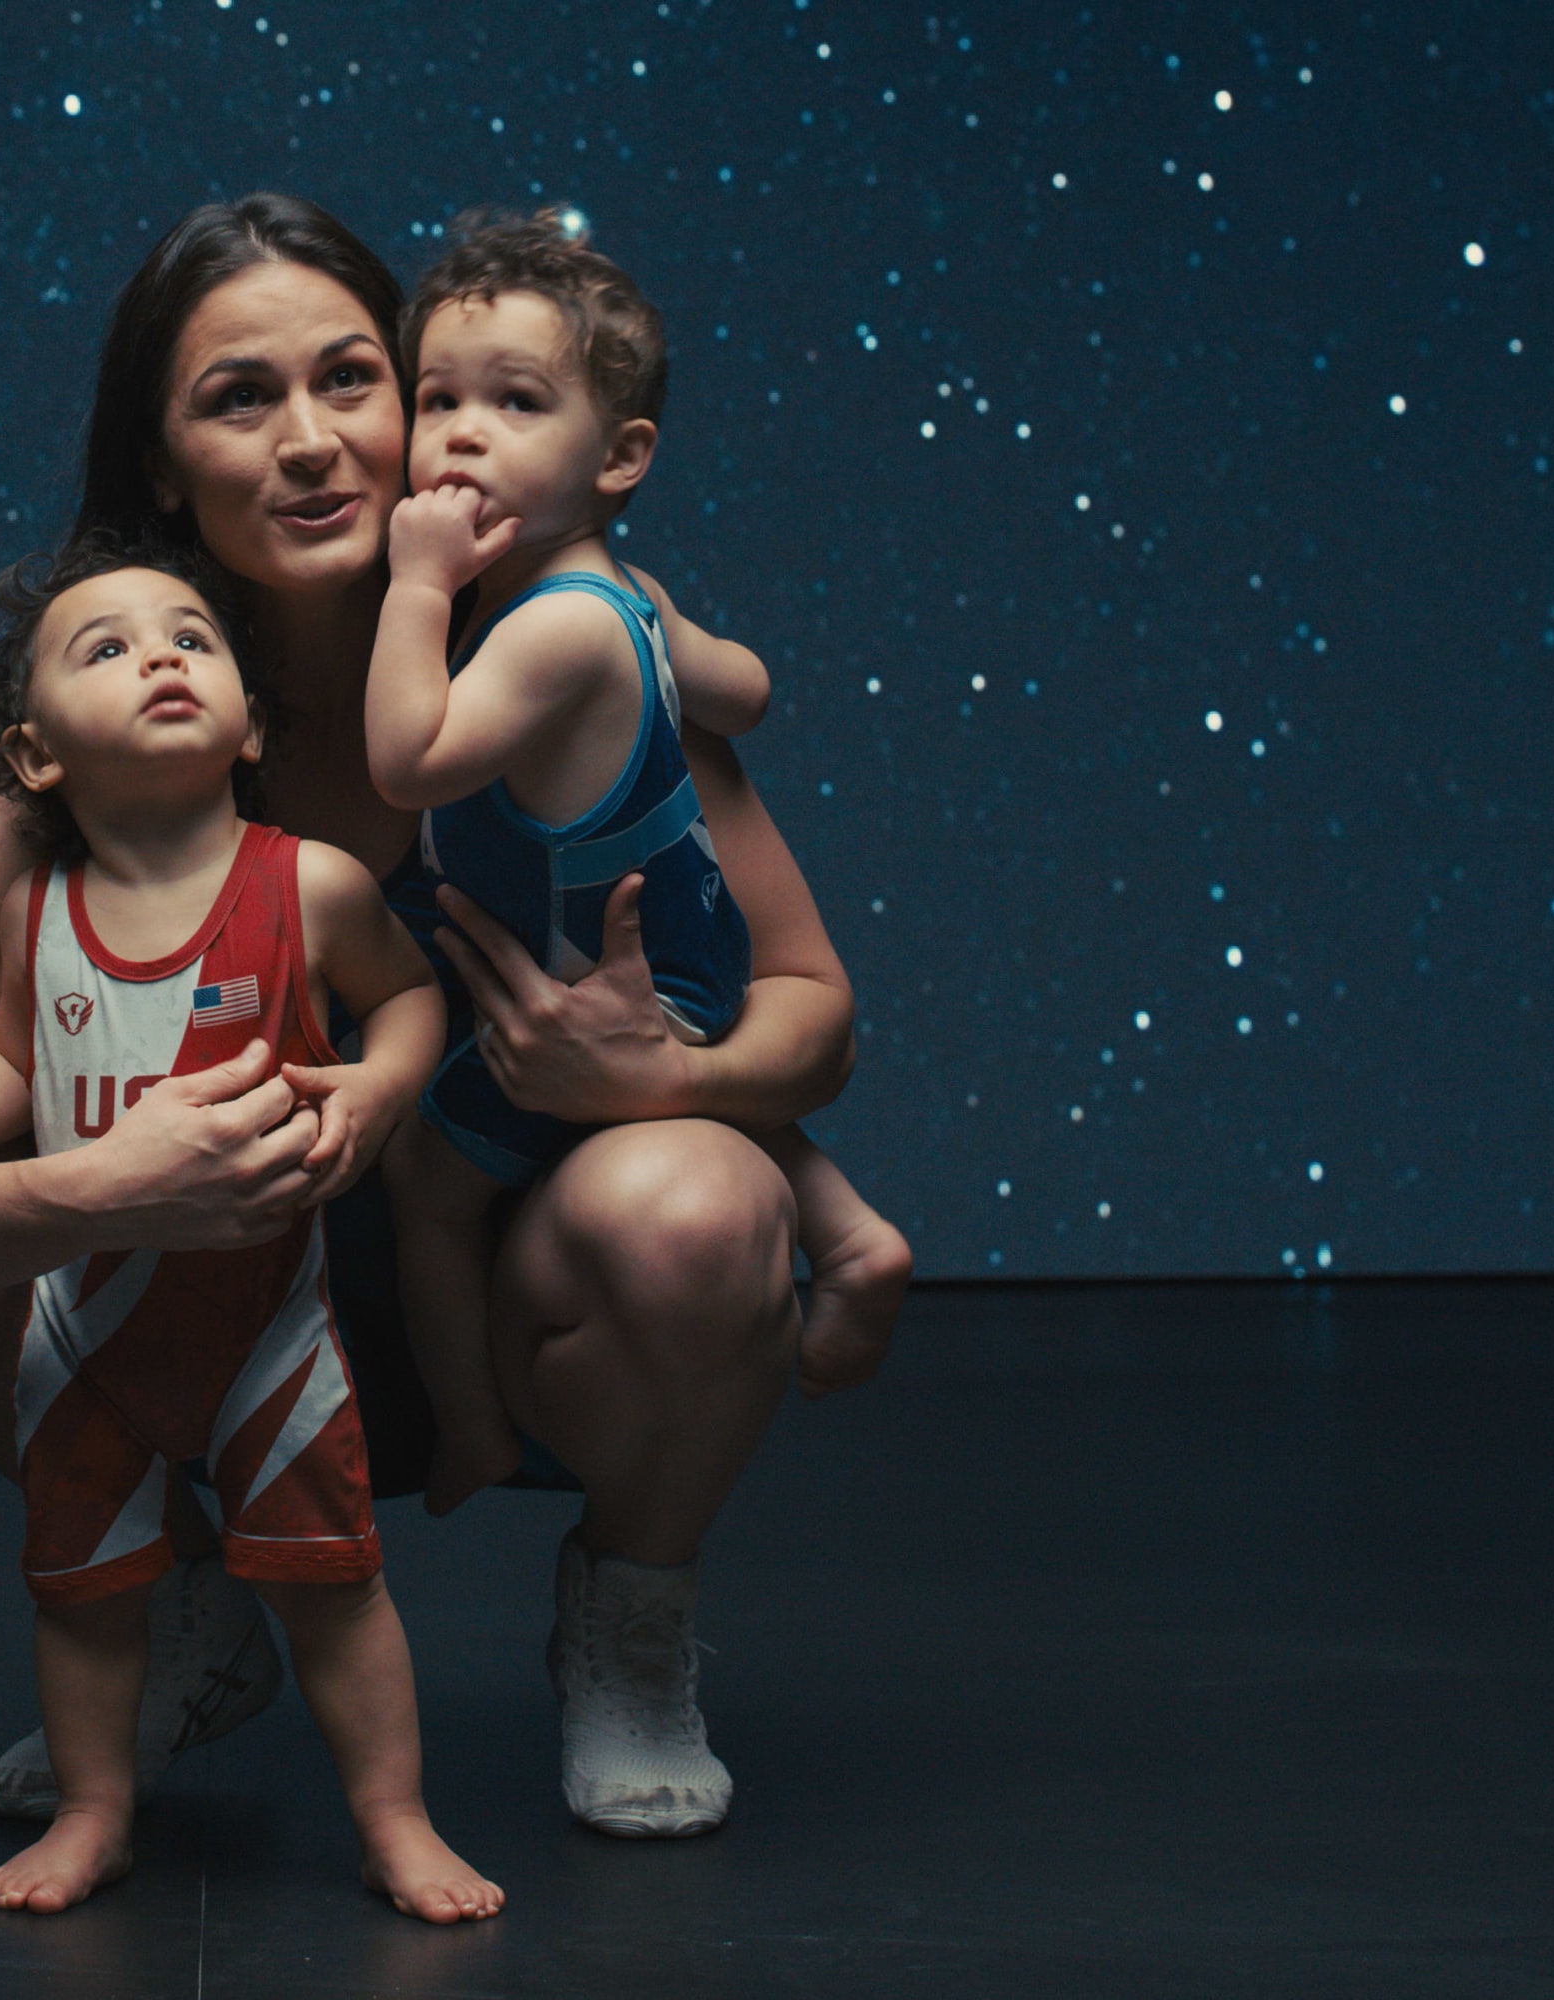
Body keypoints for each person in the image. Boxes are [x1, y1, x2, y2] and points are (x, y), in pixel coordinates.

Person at [0, 193, 889, 1846]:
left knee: (705, 1201)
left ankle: (632, 1622)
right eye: (236, 399)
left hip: (500, 1294)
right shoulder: (85, 761)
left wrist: (673, 1071)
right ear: (159, 465)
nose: (312, 443)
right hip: (200, 1323)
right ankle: (184, 1601)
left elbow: (821, 1020)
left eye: (357, 380)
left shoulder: (561, 671)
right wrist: (93, 1189)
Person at [0, 535, 494, 1919]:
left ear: (246, 720)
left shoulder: (309, 886)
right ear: (37, 756)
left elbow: (413, 1001)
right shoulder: (33, 913)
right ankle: (99, 1812)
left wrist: (382, 1084)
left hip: (268, 1331)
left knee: (335, 1587)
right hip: (89, 1327)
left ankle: (395, 1818)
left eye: (190, 638)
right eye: (103, 650)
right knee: (83, 1590)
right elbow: (14, 1071)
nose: (160, 658)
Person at [365, 208, 918, 1519]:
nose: (461, 435)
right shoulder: (636, 597)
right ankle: (844, 1229)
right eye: (436, 399)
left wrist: (414, 588)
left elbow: (408, 762)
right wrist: (680, 689)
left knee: (426, 1193)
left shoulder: (542, 634)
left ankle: (473, 1428)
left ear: (620, 458)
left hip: (595, 968)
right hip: (681, 938)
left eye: (515, 402)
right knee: (700, 1086)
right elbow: (750, 688)